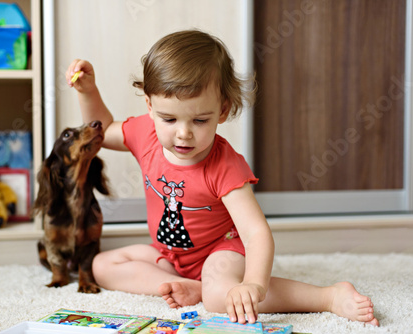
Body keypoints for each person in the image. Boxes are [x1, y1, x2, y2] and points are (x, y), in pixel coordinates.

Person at [65, 29, 379, 326]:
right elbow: (102, 130)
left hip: (222, 252)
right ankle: (189, 286)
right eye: (169, 118)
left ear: (223, 110)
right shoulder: (145, 135)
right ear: (149, 106)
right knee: (101, 266)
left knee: (220, 297)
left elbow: (256, 234)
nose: (184, 133)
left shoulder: (225, 166)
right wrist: (88, 91)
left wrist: (254, 285)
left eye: (200, 120)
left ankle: (327, 296)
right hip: (171, 255)